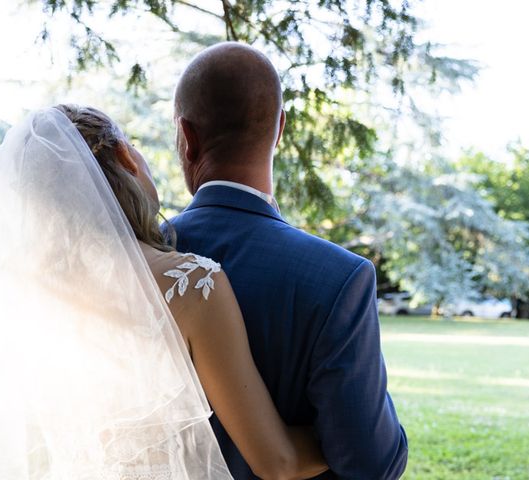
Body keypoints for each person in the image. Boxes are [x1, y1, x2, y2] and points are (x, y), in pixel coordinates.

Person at [0, 106, 327, 480]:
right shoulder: (192, 284)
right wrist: (353, 439)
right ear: (124, 157)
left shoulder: (28, 307)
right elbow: (277, 462)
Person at [168, 42, 408, 479]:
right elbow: (371, 463)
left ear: (187, 137)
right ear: (279, 129)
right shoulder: (339, 278)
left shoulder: (131, 257)